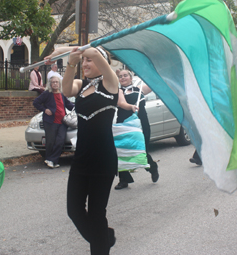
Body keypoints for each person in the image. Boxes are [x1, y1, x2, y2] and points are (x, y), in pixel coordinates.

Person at [45, 45, 119, 255]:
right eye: (83, 61)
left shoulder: (111, 84)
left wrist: (67, 48)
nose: (85, 64)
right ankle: (104, 238)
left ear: (101, 62)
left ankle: (100, 245)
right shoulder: (81, 85)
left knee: (96, 215)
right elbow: (66, 89)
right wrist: (70, 61)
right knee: (74, 211)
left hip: (103, 160)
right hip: (82, 159)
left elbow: (95, 52)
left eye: (89, 60)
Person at [114, 69, 159, 189]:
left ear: (130, 77)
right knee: (122, 150)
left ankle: (152, 167)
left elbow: (153, 84)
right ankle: (124, 179)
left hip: (142, 123)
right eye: (120, 76)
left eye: (125, 75)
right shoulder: (118, 91)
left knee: (142, 149)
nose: (123, 78)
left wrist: (150, 70)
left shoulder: (139, 90)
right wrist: (131, 107)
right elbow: (121, 103)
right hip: (125, 124)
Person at [32, 76, 74, 168]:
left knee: (60, 141)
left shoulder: (62, 94)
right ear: (50, 84)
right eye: (53, 82)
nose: (55, 84)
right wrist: (44, 109)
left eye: (57, 82)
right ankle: (50, 160)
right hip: (51, 122)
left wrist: (79, 106)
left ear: (59, 84)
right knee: (50, 142)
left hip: (62, 122)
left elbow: (69, 105)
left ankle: (51, 160)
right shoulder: (47, 94)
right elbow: (36, 102)